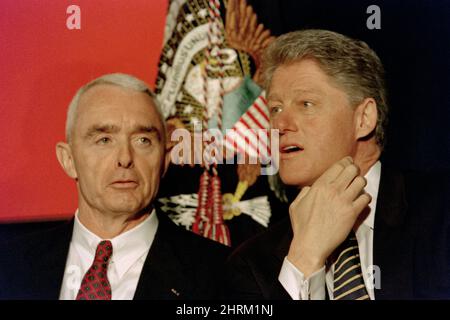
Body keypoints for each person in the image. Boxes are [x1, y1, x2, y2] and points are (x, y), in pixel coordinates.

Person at [225, 30, 449, 300]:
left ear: (364, 119)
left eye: (306, 104)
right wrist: (304, 259)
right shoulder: (251, 264)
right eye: (275, 109)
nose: (280, 125)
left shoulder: (440, 213)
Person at [0, 73, 229, 300]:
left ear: (164, 160)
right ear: (69, 160)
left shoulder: (222, 275)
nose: (125, 158)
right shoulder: (9, 264)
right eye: (104, 140)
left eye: (143, 140)